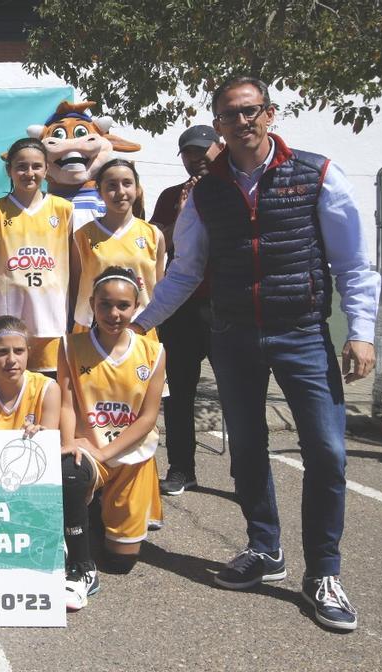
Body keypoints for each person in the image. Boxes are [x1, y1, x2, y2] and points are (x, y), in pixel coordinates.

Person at [132, 76, 380, 632]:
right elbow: (185, 271)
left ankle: (323, 573)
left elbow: (354, 264)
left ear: (269, 114)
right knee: (246, 450)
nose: (242, 121)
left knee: (328, 454)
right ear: (218, 124)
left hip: (303, 333)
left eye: (251, 111)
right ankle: (264, 548)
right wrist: (141, 325)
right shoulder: (205, 192)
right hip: (234, 335)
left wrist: (359, 331)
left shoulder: (316, 173)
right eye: (229, 114)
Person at [0, 316, 109, 612]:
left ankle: (82, 565)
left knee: (71, 471)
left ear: (29, 352)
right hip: (3, 477)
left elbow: (49, 444)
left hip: (40, 471)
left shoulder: (46, 387)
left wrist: (41, 433)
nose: (11, 359)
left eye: (19, 351)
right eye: (2, 352)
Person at [58, 267, 167, 608]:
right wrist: (68, 441)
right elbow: (65, 403)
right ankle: (82, 550)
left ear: (136, 306)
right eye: (105, 305)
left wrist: (107, 454)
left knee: (120, 563)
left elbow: (148, 417)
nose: (114, 314)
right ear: (91, 304)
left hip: (129, 456)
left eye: (123, 305)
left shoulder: (154, 352)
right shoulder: (70, 345)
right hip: (88, 451)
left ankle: (96, 513)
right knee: (70, 472)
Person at [151, 126, 222, 496]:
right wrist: (180, 214)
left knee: (241, 394)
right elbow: (155, 245)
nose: (196, 158)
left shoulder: (232, 189)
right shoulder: (170, 195)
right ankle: (181, 468)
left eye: (203, 150)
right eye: (188, 153)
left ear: (218, 147)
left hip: (227, 306)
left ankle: (248, 473)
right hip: (182, 307)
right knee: (178, 392)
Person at [0, 138, 74, 374]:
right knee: (7, 397)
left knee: (47, 394)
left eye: (36, 166)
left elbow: (74, 267)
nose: (29, 173)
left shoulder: (64, 209)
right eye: (21, 166)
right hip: (6, 322)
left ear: (46, 169)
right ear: (9, 170)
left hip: (49, 321)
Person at [70, 159, 165, 334]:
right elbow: (75, 289)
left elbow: (159, 291)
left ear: (137, 189)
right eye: (112, 185)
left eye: (127, 183)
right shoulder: (82, 235)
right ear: (99, 191)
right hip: (92, 329)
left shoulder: (154, 235)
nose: (120, 191)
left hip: (140, 328)